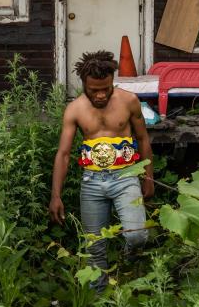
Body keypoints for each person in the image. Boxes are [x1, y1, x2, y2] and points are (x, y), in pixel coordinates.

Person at [49, 50, 155, 290]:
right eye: (94, 89)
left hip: (126, 176)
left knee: (136, 236)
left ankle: (127, 274)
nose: (100, 94)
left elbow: (143, 139)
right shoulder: (75, 109)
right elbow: (63, 154)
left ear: (112, 81)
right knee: (94, 246)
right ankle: (99, 303)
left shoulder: (128, 101)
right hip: (92, 181)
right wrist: (56, 195)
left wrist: (148, 177)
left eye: (105, 88)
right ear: (84, 84)